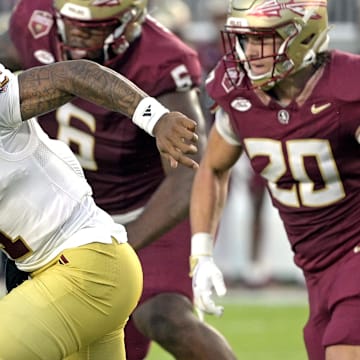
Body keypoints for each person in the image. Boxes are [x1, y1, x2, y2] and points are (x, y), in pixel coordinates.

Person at [0, 1, 237, 359]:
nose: (78, 34)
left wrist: (154, 118)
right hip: (68, 233)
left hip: (125, 218)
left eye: (94, 28)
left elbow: (188, 174)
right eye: (72, 25)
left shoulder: (161, 59)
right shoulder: (36, 23)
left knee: (164, 315)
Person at [189, 1, 360, 360]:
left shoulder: (348, 88)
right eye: (245, 39)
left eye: (262, 40)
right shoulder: (239, 95)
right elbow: (213, 168)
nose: (250, 52)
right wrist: (201, 253)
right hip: (314, 264)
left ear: (301, 37)